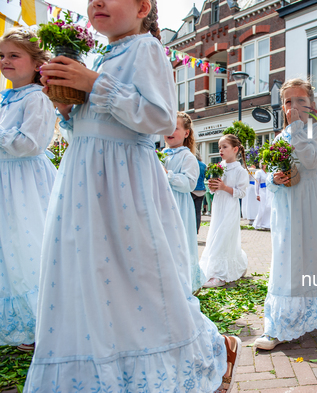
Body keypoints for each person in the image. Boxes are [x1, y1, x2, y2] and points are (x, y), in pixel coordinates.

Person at [27, 1, 241, 391]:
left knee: (141, 279)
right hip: (85, 182)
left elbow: (159, 118)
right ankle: (109, 369)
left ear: (143, 7)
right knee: (94, 277)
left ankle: (214, 347)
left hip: (124, 184)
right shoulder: (99, 56)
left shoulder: (147, 48)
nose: (96, 3)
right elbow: (91, 126)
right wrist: (66, 107)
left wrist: (94, 84)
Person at [254, 79, 317, 350]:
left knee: (314, 252)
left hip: (310, 201)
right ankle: (283, 323)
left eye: (300, 101)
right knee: (288, 255)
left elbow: (310, 161)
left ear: (312, 105)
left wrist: (296, 127)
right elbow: (270, 175)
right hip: (287, 204)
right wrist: (276, 178)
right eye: (288, 101)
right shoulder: (277, 137)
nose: (293, 106)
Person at [0, 28, 57, 351]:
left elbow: (30, 143)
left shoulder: (37, 97)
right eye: (1, 55)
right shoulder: (7, 99)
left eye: (14, 55)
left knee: (28, 244)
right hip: (5, 181)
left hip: (24, 185)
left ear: (36, 62)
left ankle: (42, 324)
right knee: (9, 249)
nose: (5, 61)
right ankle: (21, 322)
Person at [200, 134, 249, 288]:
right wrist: (213, 187)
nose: (220, 150)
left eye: (224, 147)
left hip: (229, 207)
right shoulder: (219, 167)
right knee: (215, 234)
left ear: (235, 149)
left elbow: (241, 193)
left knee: (223, 236)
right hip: (218, 206)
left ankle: (219, 274)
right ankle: (235, 265)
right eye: (219, 147)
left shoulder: (240, 171)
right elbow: (215, 190)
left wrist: (224, 187)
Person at [163, 112, 205, 292]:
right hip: (162, 204)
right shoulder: (160, 154)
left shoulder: (188, 157)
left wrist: (168, 175)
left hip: (179, 205)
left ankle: (183, 285)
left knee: (178, 243)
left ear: (186, 133)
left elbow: (189, 183)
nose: (170, 131)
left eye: (175, 127)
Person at [191, 150, 207, 234]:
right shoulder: (203, 165)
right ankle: (196, 230)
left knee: (190, 211)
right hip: (201, 190)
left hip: (192, 190)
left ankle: (191, 231)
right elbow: (207, 177)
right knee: (198, 212)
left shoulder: (191, 163)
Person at [253, 163, 272, 230]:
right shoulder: (258, 172)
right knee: (262, 207)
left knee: (268, 207)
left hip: (269, 191)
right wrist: (257, 194)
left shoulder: (269, 172)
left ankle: (266, 224)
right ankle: (258, 224)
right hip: (262, 191)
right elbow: (257, 184)